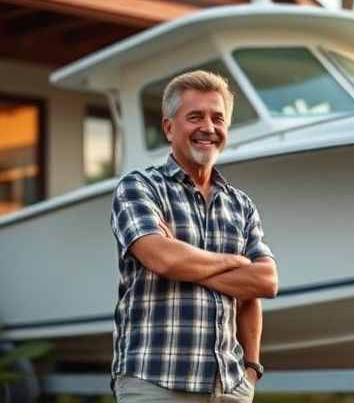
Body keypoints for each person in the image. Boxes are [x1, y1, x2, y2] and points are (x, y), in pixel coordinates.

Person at [110, 70, 278, 402]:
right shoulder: (139, 187)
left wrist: (251, 369)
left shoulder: (240, 205)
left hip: (229, 387)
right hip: (155, 380)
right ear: (169, 127)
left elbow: (265, 283)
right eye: (195, 117)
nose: (208, 127)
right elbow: (161, 258)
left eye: (218, 118)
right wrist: (233, 264)